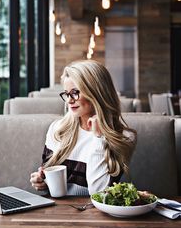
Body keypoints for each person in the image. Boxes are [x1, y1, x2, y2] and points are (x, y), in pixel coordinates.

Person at [30, 60, 137, 196]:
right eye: (67, 94)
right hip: (56, 212)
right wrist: (43, 182)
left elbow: (99, 194)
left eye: (75, 92)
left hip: (94, 214)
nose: (69, 100)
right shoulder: (57, 129)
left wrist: (99, 139)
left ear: (97, 93)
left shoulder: (124, 137)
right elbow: (49, 181)